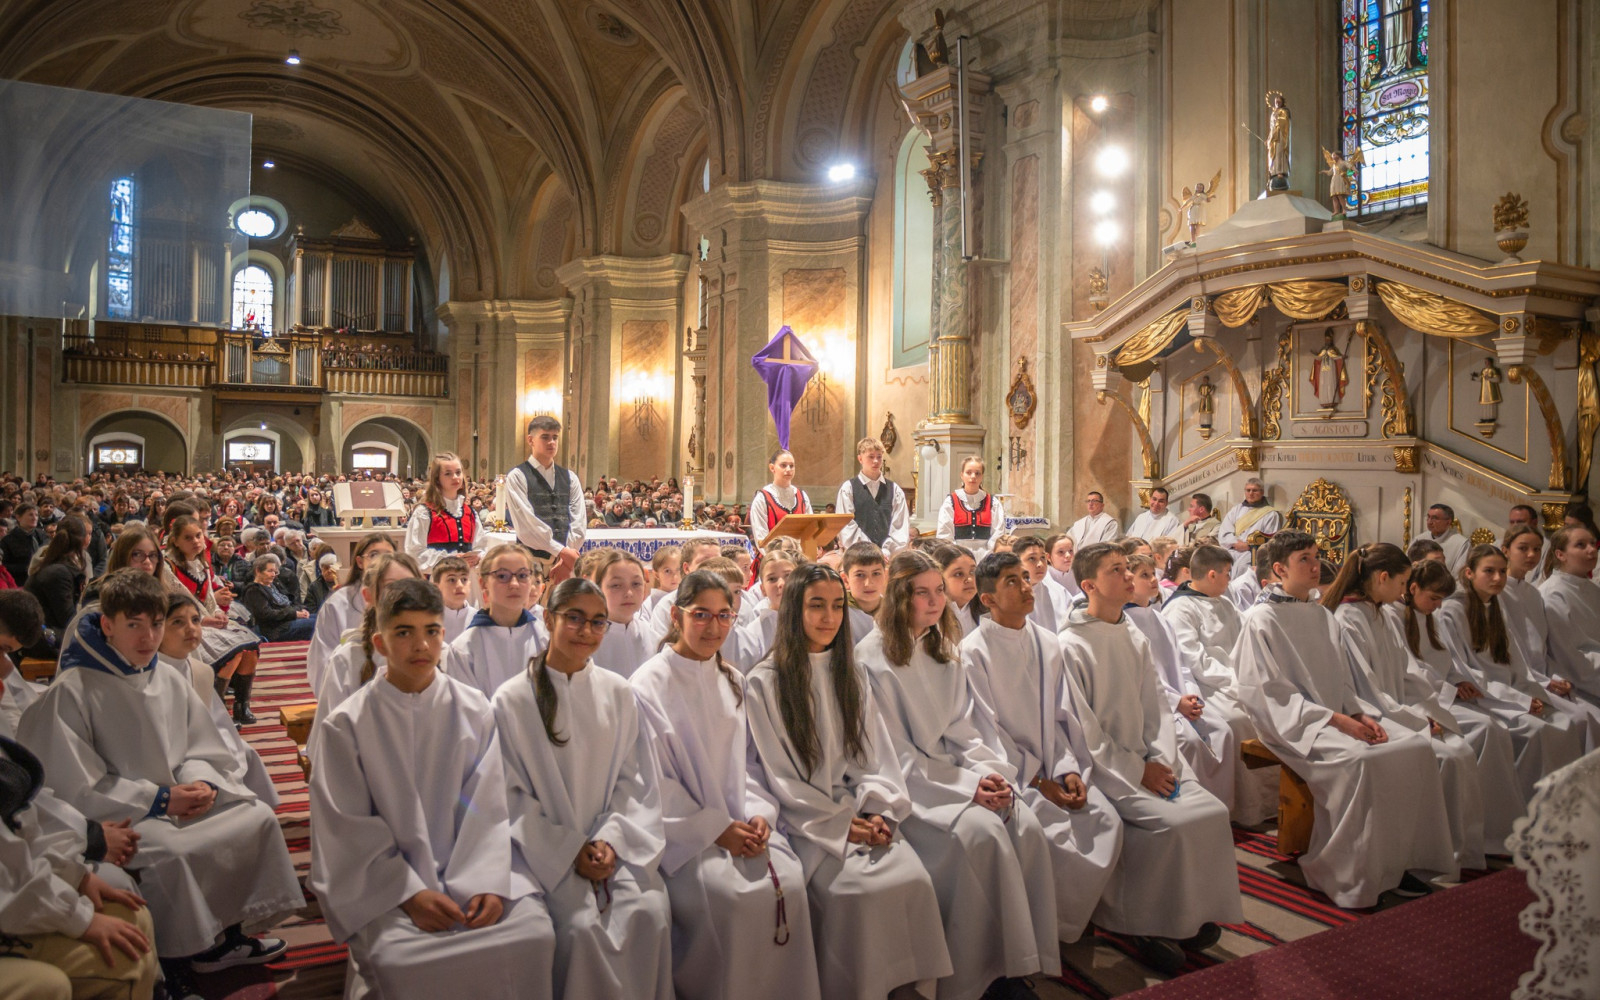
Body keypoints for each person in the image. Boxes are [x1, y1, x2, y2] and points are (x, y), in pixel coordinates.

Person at [18, 570, 301, 998]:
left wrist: (201, 781)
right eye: (133, 625)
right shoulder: (74, 689)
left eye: (154, 624)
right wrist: (160, 798)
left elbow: (200, 744)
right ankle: (174, 962)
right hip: (125, 813)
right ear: (107, 625)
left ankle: (226, 936)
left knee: (256, 816)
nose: (148, 637)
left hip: (179, 798)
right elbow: (75, 784)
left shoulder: (165, 676)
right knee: (171, 854)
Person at [309, 578, 556, 1000]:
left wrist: (486, 881)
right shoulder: (347, 725)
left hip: (476, 867)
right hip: (387, 885)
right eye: (404, 632)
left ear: (445, 636)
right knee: (403, 959)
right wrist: (408, 893)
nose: (421, 645)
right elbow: (347, 829)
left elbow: (489, 805)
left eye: (432, 631)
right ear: (380, 643)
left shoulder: (474, 709)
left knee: (533, 934)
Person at [856, 550, 1059, 999]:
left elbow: (964, 729)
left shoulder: (942, 649)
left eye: (938, 592)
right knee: (981, 837)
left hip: (951, 776)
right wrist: (968, 789)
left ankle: (1014, 960)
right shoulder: (871, 659)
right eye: (922, 593)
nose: (935, 602)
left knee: (1023, 824)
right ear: (899, 597)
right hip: (913, 791)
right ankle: (973, 977)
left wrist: (989, 774)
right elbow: (891, 753)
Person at [743, 564, 952, 999]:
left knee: (914, 879)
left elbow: (872, 755)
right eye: (816, 605)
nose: (829, 617)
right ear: (793, 610)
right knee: (856, 893)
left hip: (858, 807)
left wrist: (876, 808)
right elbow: (779, 775)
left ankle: (903, 987)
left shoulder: (850, 672)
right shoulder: (765, 682)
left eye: (838, 606)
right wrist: (840, 823)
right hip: (806, 823)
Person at [1232, 531, 1457, 908]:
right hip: (1293, 724)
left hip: (1334, 715)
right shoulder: (1261, 619)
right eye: (1304, 559)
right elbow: (1269, 692)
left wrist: (1358, 713)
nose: (1315, 565)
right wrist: (1335, 719)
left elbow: (1342, 680)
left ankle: (1396, 863)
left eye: (1316, 555)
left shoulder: (1322, 615)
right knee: (1360, 762)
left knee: (1415, 746)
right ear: (1279, 569)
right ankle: (1344, 872)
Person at [629, 571, 822, 1000]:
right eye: (701, 615)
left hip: (741, 823)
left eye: (724, 616)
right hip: (686, 838)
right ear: (676, 616)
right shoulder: (646, 686)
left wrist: (758, 813)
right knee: (732, 899)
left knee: (790, 881)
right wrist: (715, 829)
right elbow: (651, 781)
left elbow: (749, 762)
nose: (713, 627)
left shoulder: (733, 679)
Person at [1057, 543, 1240, 971]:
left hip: (1150, 760)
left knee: (1211, 812)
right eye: (1116, 570)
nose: (1128, 576)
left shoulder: (1132, 633)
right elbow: (1084, 730)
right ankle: (1141, 924)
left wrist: (1162, 758)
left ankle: (1187, 915)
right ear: (1089, 586)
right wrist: (1138, 770)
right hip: (1106, 768)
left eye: (1127, 568)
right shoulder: (1070, 644)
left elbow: (1156, 707)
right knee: (1172, 824)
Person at [492, 577, 674, 1000]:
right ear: (548, 618)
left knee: (650, 912)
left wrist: (611, 839)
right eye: (574, 618)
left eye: (597, 622)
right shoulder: (512, 699)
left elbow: (635, 780)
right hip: (545, 856)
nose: (586, 631)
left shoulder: (618, 692)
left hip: (614, 847)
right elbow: (507, 795)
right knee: (579, 930)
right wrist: (569, 850)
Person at [961, 553, 1122, 948]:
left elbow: (1063, 715)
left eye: (1024, 577)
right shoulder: (972, 653)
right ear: (988, 599)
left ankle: (1078, 918)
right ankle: (1045, 930)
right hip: (1015, 775)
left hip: (1055, 763)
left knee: (1106, 820)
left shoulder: (1047, 642)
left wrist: (1067, 769)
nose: (1025, 587)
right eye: (1011, 582)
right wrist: (1035, 780)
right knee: (1044, 834)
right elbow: (986, 731)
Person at [1321, 543, 1487, 870]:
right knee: (1445, 756)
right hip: (1373, 715)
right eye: (1402, 582)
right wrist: (1415, 720)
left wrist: (1427, 712)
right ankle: (1423, 857)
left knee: (1460, 749)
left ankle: (1455, 851)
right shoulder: (1348, 618)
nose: (1404, 591)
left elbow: (1407, 673)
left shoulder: (1381, 614)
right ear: (1383, 577)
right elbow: (1366, 690)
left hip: (1397, 709)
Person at [0, 735, 160, 1000]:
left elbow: (25, 815)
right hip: (12, 902)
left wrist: (76, 874)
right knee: (124, 961)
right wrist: (79, 918)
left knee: (134, 914)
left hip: (29, 878)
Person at [1387, 559, 1526, 849]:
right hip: (1419, 700)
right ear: (1413, 588)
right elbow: (1411, 671)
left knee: (1494, 729)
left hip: (1441, 695)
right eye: (1434, 598)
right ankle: (1470, 832)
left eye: (1441, 599)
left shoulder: (1428, 615)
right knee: (1486, 729)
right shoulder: (1393, 617)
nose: (1438, 605)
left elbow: (1445, 660)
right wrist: (1447, 689)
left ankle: (1493, 826)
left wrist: (1458, 680)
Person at [1435, 545, 1594, 768]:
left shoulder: (1496, 605)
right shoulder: (1452, 610)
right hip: (1484, 695)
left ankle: (1556, 789)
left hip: (1508, 690)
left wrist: (1531, 690)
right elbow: (1464, 672)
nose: (1498, 578)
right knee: (1537, 730)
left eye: (1502, 571)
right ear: (1469, 573)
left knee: (1566, 721)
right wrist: (1519, 700)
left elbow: (1515, 661)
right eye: (1489, 571)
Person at [1159, 544, 1279, 824]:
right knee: (1238, 719)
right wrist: (1236, 683)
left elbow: (1245, 642)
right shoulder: (1180, 608)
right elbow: (1193, 659)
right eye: (1226, 573)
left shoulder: (1224, 603)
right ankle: (1247, 808)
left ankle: (1271, 802)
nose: (1229, 579)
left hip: (1235, 678)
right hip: (1204, 686)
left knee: (1270, 710)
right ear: (1212, 574)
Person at [1123, 552, 1244, 821]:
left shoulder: (1159, 619)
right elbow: (1143, 677)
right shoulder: (1125, 623)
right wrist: (1176, 702)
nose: (1153, 580)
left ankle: (1224, 811)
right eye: (1144, 575)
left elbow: (1182, 665)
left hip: (1184, 698)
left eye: (1152, 574)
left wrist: (1192, 695)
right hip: (1159, 704)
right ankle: (1197, 812)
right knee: (1188, 741)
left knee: (1222, 731)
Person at [157, 592, 279, 809]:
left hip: (206, 746)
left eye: (195, 620)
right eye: (178, 622)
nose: (191, 629)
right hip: (171, 762)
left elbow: (216, 721)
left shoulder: (200, 671)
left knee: (246, 754)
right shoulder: (153, 674)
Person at [312, 553, 425, 748]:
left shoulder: (439, 654)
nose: (403, 596)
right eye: (391, 587)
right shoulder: (347, 660)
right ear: (368, 596)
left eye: (410, 586)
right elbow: (330, 742)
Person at [163, 515, 262, 723]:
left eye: (198, 536)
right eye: (188, 538)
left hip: (207, 620)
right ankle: (216, 707)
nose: (196, 541)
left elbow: (209, 599)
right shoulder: (167, 566)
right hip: (186, 624)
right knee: (233, 652)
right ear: (175, 541)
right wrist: (206, 620)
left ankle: (242, 705)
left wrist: (218, 613)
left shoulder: (202, 565)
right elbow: (181, 600)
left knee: (251, 646)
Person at [305, 532, 395, 696]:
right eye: (374, 555)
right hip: (349, 688)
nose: (381, 561)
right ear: (360, 562)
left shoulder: (406, 598)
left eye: (388, 556)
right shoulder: (338, 603)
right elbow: (322, 657)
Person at [505, 416, 587, 584]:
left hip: (565, 563)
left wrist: (566, 560)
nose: (551, 442)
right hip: (530, 562)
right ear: (531, 440)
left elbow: (578, 520)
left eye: (555, 437)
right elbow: (526, 525)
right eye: (545, 437)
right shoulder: (518, 476)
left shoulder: (570, 477)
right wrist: (562, 552)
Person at [1538, 526, 1600, 707]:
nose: (1592, 549)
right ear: (1560, 554)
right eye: (1581, 545)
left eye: (1593, 543)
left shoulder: (1592, 588)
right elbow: (1570, 656)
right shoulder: (1553, 594)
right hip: (1580, 684)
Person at [405, 452, 489, 574]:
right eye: (448, 473)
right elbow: (414, 553)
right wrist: (449, 561)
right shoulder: (424, 513)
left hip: (467, 579)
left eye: (458, 472)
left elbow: (481, 546)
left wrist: (478, 557)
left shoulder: (470, 513)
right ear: (437, 479)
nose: (455, 477)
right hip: (436, 579)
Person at [834, 437, 909, 558]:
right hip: (858, 556)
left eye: (879, 456)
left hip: (887, 557)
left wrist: (886, 551)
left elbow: (900, 525)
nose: (876, 461)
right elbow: (846, 524)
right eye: (871, 456)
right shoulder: (848, 488)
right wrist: (869, 551)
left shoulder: (895, 490)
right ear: (860, 459)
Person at [588, 549, 655, 679]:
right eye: (616, 585)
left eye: (636, 584)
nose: (629, 593)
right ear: (598, 589)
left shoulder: (653, 638)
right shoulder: (585, 641)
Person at [24, 514, 91, 635]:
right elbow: (68, 620)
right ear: (82, 540)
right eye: (89, 534)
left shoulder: (55, 562)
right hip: (42, 636)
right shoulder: (59, 572)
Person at [236, 553, 316, 645]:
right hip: (276, 628)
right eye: (270, 571)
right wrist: (294, 614)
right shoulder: (254, 590)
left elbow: (290, 601)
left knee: (320, 617)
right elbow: (266, 615)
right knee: (316, 623)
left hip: (288, 619)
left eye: (275, 571)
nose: (273, 575)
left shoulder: (274, 584)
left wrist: (301, 610)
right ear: (258, 571)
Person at [935, 456, 1005, 554]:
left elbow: (998, 533)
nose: (973, 476)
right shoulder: (951, 502)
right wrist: (957, 555)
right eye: (968, 472)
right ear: (962, 475)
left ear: (982, 476)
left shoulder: (993, 503)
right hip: (957, 554)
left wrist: (988, 555)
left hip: (986, 554)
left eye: (977, 473)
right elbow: (944, 533)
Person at [749, 449, 813, 550]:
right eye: (783, 465)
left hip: (799, 556)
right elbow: (761, 538)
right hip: (772, 557)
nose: (788, 469)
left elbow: (811, 530)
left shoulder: (802, 496)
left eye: (791, 466)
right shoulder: (762, 498)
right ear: (772, 468)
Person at [1217, 479, 1281, 579]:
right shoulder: (1236, 510)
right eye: (1248, 490)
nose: (1251, 493)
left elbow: (1270, 540)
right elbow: (1224, 531)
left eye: (1255, 490)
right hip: (1232, 548)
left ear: (1262, 492)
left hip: (1252, 552)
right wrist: (1234, 542)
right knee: (1217, 562)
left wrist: (1249, 547)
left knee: (1242, 567)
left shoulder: (1270, 514)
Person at [839, 541, 887, 642]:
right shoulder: (840, 613)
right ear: (845, 580)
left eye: (876, 573)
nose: (868, 583)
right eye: (860, 575)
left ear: (885, 575)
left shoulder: (894, 609)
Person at [1011, 536, 1057, 634]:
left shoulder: (1059, 592)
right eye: (1032, 558)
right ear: (1017, 562)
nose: (1040, 564)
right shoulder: (1009, 596)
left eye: (1043, 558)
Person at [933, 543, 980, 636]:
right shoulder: (931, 617)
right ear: (939, 577)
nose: (970, 579)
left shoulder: (989, 610)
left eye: (972, 572)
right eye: (958, 574)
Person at [430, 555, 476, 643]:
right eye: (452, 580)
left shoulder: (478, 619)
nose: (459, 585)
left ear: (470, 584)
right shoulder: (428, 618)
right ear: (436, 587)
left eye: (464, 579)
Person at [1, 503, 47, 587]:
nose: (34, 518)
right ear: (18, 517)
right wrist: (27, 567)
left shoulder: (42, 535)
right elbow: (4, 566)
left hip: (43, 580)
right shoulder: (8, 540)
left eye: (36, 515)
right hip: (21, 582)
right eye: (30, 515)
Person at [1040, 534, 1079, 625]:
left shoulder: (1080, 573)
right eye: (1061, 552)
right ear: (1048, 557)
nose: (1068, 555)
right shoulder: (1043, 579)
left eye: (1070, 551)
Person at [1423, 504, 1470, 575]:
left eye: (1434, 518)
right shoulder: (1419, 539)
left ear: (1448, 522)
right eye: (1428, 517)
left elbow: (1460, 575)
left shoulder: (1461, 543)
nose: (1429, 522)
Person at [642, 545, 682, 619]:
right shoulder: (648, 605)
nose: (675, 577)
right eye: (667, 571)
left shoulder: (688, 598)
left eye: (678, 570)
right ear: (656, 575)